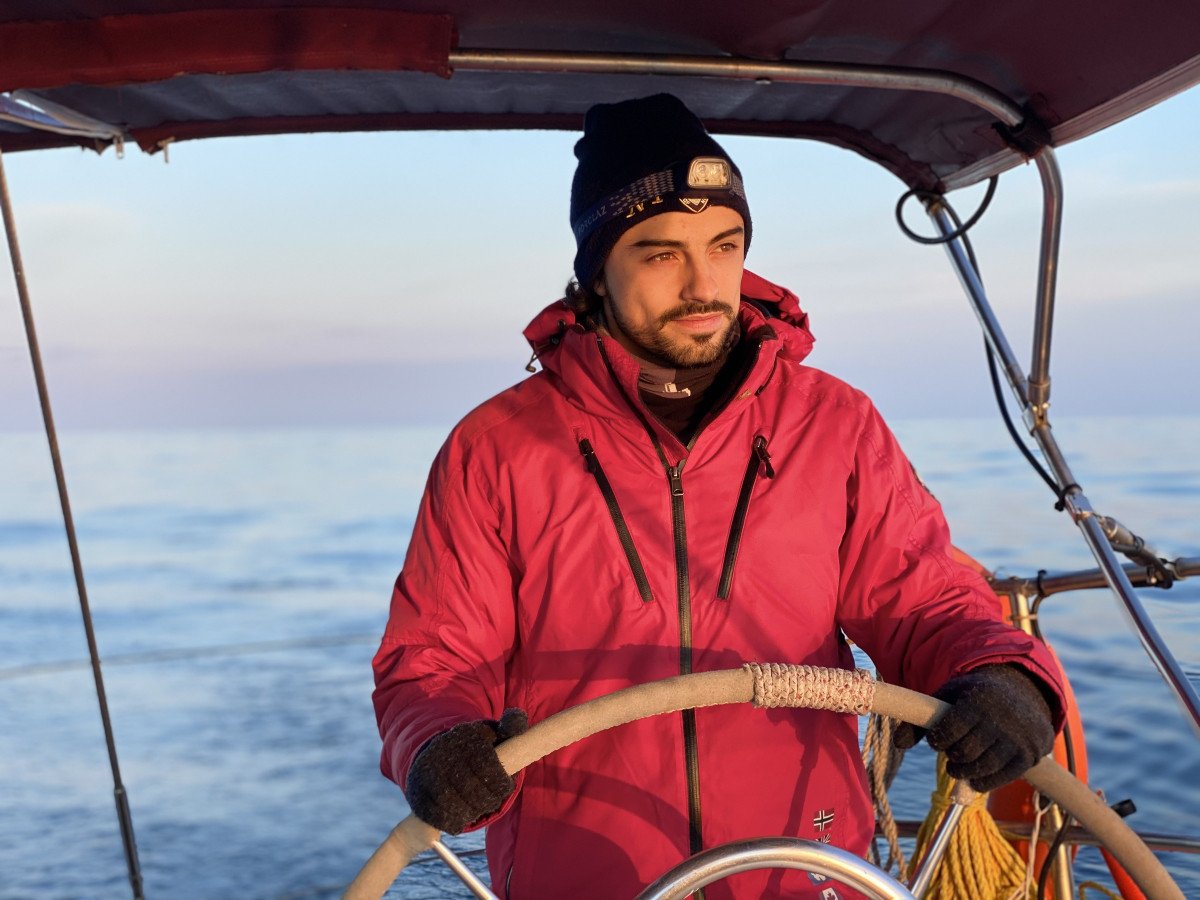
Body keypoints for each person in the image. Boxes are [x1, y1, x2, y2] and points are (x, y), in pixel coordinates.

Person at [372, 93, 1065, 899]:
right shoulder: (494, 449)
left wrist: (1003, 675)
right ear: (598, 270)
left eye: (725, 245)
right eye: (661, 253)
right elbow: (433, 661)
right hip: (588, 876)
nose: (705, 284)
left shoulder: (834, 424)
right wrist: (440, 742)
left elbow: (923, 602)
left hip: (805, 870)